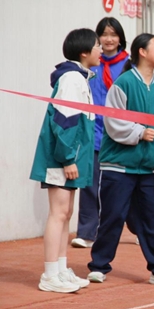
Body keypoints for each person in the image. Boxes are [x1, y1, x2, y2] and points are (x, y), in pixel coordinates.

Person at [87, 33, 154, 286]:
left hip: (151, 168)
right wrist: (139, 132)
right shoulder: (124, 83)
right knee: (113, 217)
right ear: (142, 51)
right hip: (119, 166)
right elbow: (112, 121)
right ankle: (99, 266)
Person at [30, 28, 102, 293]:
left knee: (66, 213)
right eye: (96, 45)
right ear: (83, 52)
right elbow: (64, 122)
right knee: (58, 213)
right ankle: (50, 274)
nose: (100, 50)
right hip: (61, 158)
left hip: (70, 157)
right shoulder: (72, 79)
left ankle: (60, 270)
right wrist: (68, 158)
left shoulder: (80, 78)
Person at [71, 17, 139, 249]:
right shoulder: (90, 64)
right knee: (89, 184)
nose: (109, 39)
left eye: (113, 34)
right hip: (94, 132)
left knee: (124, 186)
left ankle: (139, 228)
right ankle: (87, 232)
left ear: (120, 38)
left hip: (120, 133)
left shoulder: (130, 64)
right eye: (104, 34)